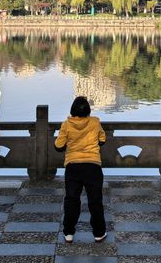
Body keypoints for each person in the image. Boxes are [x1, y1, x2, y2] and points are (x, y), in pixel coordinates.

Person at [55, 96, 107, 243]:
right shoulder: (95, 122)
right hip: (92, 166)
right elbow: (102, 139)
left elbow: (59, 146)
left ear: (72, 109)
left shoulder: (66, 124)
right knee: (95, 200)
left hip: (73, 167)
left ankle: (69, 232)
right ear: (88, 110)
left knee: (71, 200)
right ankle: (99, 233)